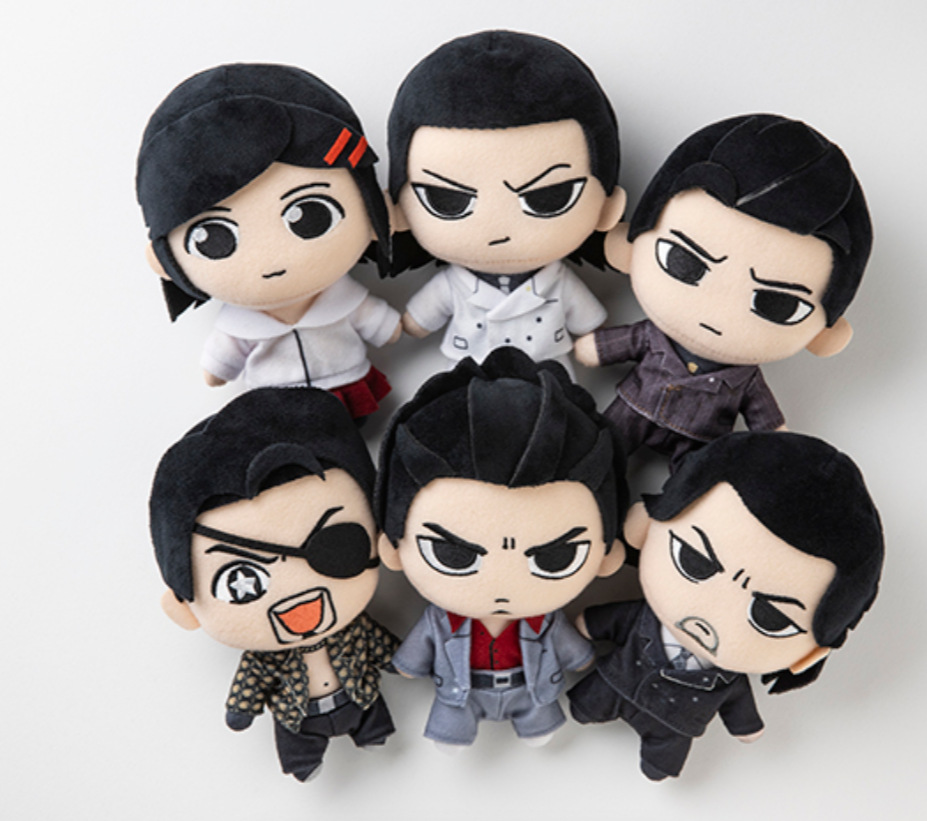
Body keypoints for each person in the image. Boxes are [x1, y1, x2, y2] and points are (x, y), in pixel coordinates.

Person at [568, 431, 884, 780]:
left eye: (770, 616)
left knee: (661, 763)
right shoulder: (641, 620)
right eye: (694, 560)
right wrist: (589, 625)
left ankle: (655, 760)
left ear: (808, 656)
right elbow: (608, 621)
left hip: (673, 725)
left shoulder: (726, 678)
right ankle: (588, 707)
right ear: (645, 525)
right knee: (584, 705)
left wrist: (745, 726)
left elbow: (738, 704)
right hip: (615, 684)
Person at [575, 114, 872, 467]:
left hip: (700, 437)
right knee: (600, 454)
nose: (717, 311)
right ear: (629, 245)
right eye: (685, 262)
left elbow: (767, 424)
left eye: (777, 304)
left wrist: (775, 440)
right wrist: (592, 348)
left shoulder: (746, 380)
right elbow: (615, 344)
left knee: (697, 482)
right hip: (633, 409)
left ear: (824, 334)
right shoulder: (651, 337)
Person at [375, 347, 630, 748]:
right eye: (453, 554)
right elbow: (417, 651)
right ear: (394, 547)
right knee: (450, 726)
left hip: (533, 691)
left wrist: (583, 659)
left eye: (556, 557)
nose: (502, 585)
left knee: (540, 722)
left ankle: (534, 726)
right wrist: (407, 666)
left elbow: (576, 653)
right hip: (458, 695)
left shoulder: (545, 621)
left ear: (605, 555)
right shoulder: (441, 622)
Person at [150, 388, 397, 781]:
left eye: (332, 547)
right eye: (242, 582)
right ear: (184, 608)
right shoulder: (266, 658)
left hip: (358, 695)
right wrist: (241, 709)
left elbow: (385, 649)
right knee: (297, 742)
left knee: (372, 717)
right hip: (296, 715)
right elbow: (251, 682)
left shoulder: (356, 631)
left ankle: (373, 734)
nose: (298, 594)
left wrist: (408, 662)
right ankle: (303, 761)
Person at [137, 63, 400, 418]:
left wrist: (392, 327)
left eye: (311, 215)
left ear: (374, 211)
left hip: (347, 386)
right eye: (214, 239)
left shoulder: (346, 300)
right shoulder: (237, 326)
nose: (273, 260)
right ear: (163, 260)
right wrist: (218, 369)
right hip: (274, 403)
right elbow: (220, 364)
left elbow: (384, 327)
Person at [387, 30, 626, 374]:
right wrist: (399, 325)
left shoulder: (560, 283)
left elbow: (592, 327)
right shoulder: (452, 284)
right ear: (399, 210)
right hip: (469, 368)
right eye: (447, 200)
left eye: (547, 198)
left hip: (545, 369)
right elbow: (416, 322)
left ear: (606, 208)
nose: (498, 230)